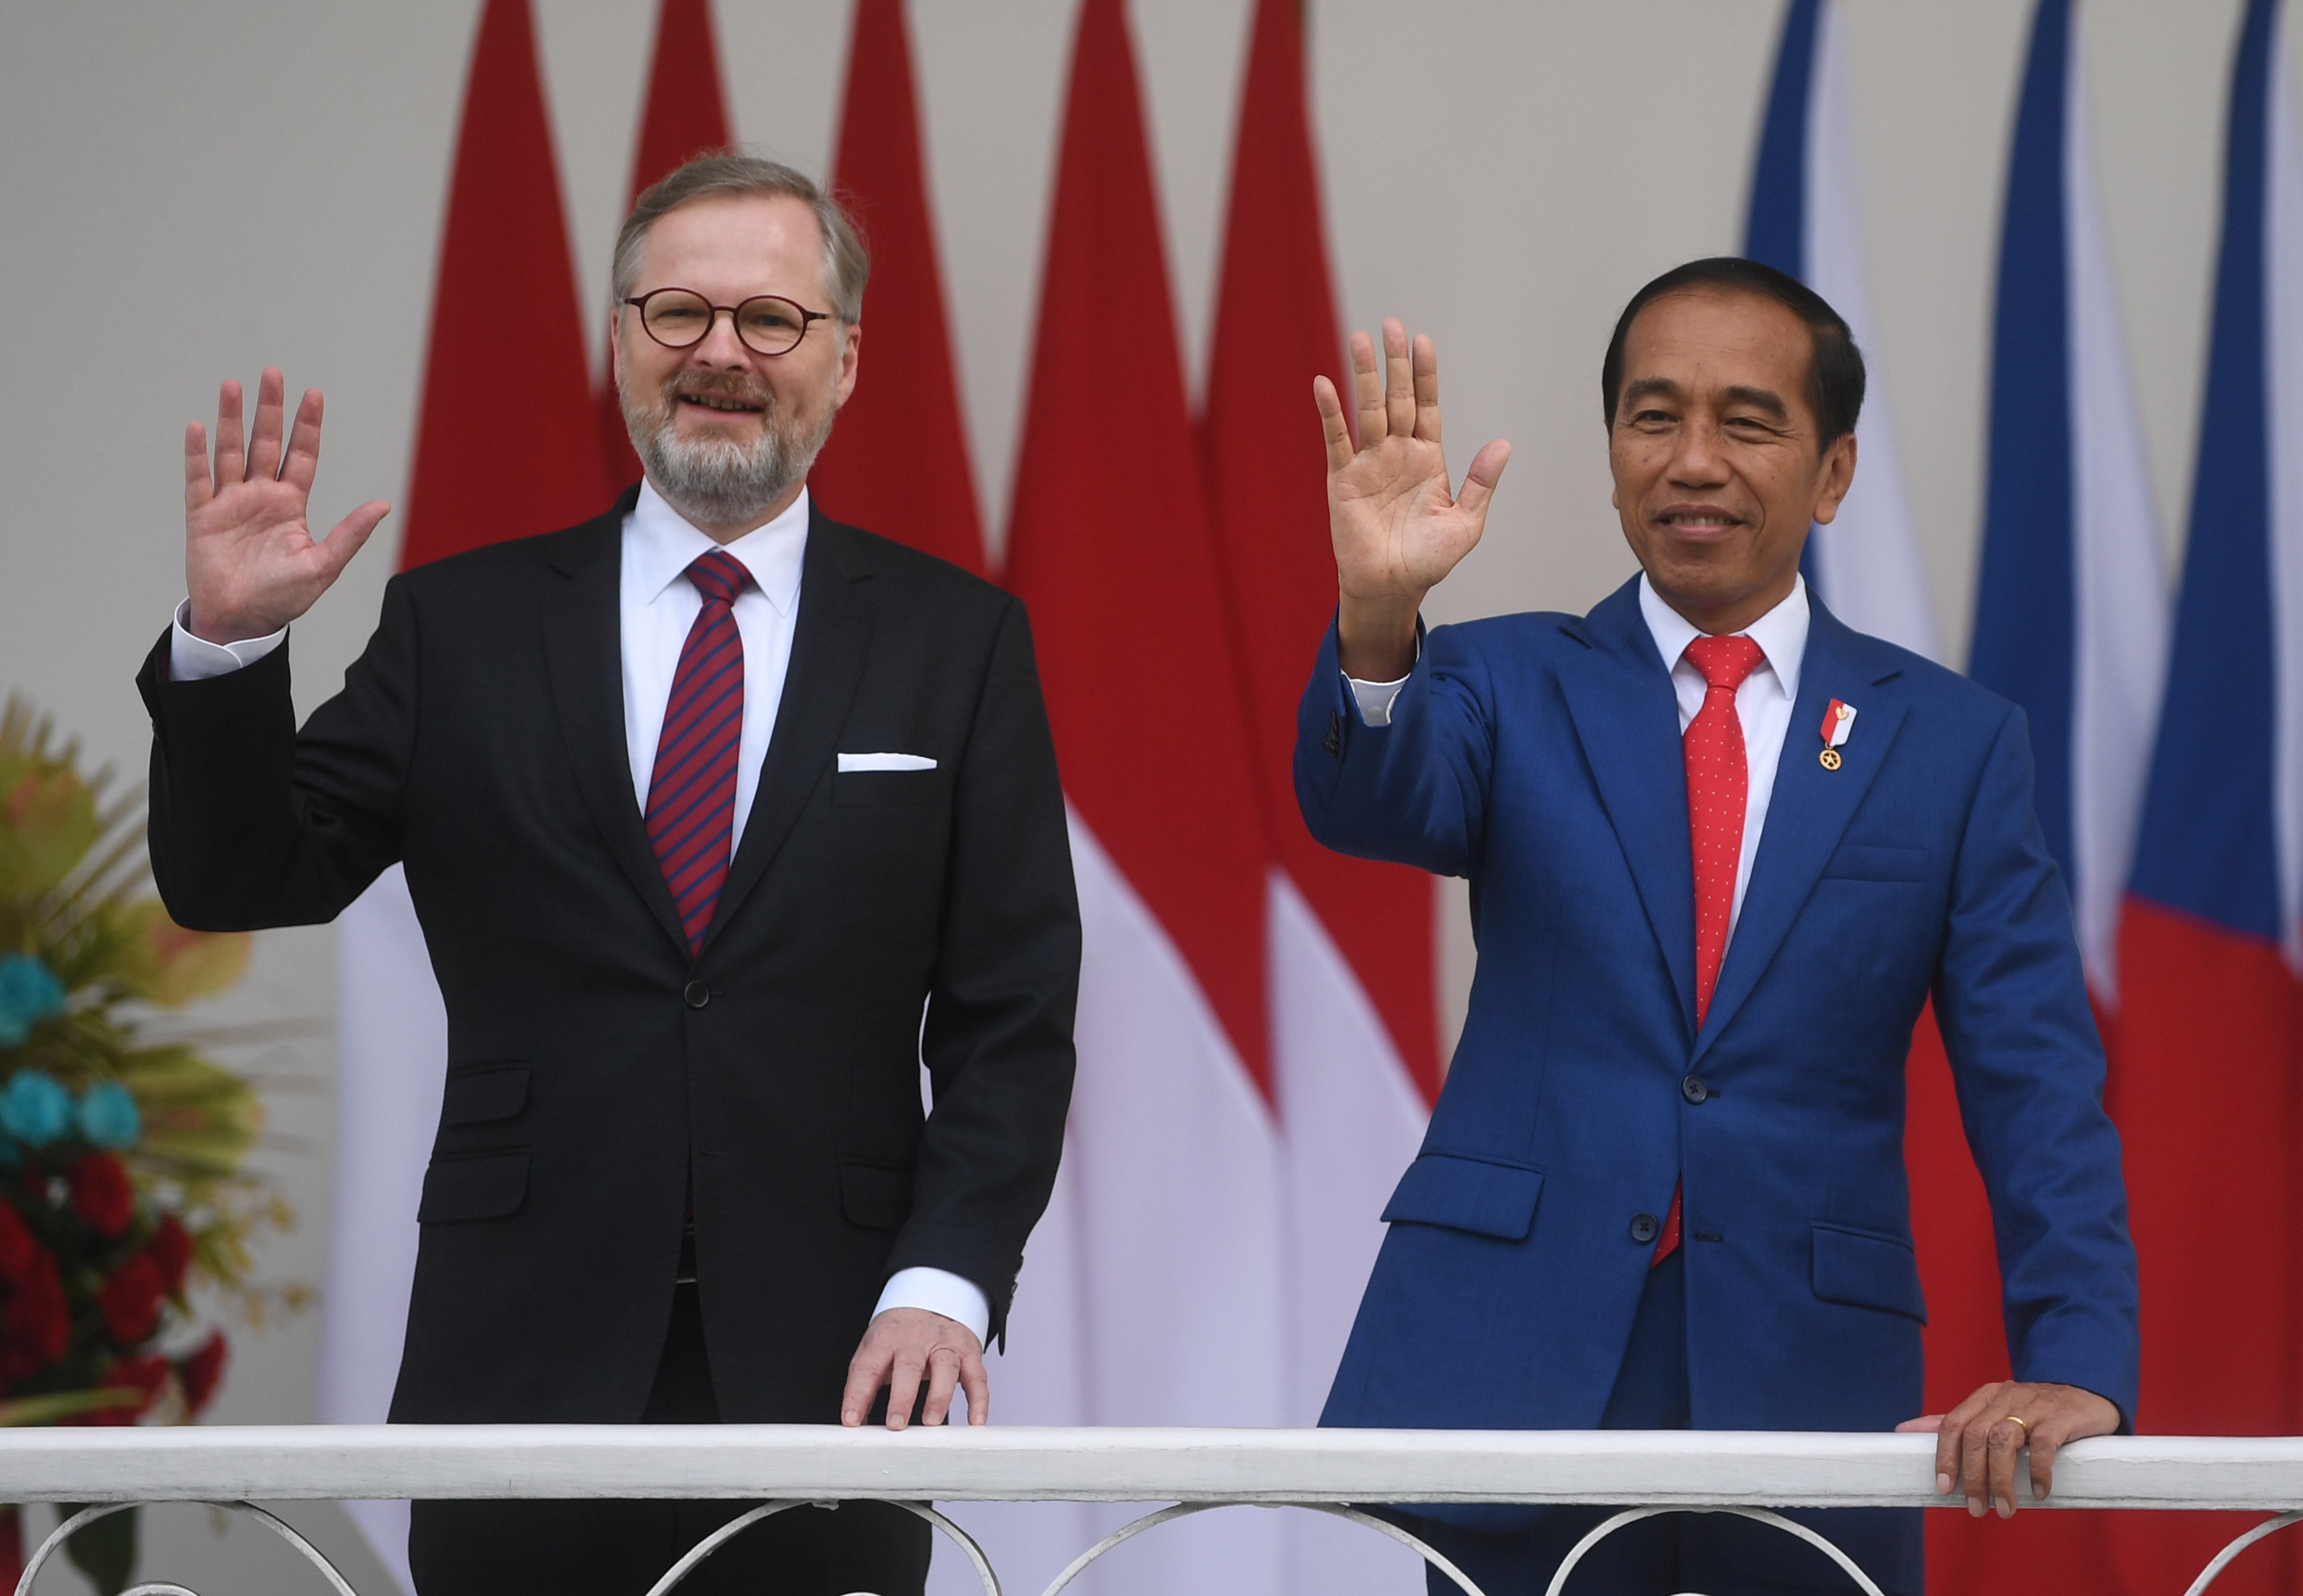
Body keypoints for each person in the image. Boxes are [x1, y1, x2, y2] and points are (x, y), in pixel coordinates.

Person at [136, 155, 1079, 1596]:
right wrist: (229, 647)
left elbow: (1012, 1019)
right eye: (677, 311)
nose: (720, 352)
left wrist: (943, 1282)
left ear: (843, 360)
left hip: (834, 1365)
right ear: (621, 341)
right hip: (515, 1358)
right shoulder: (461, 627)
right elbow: (240, 877)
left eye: (771, 319)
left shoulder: (958, 645)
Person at [1298, 257, 2137, 1596]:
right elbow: (1368, 803)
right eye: (1653, 417)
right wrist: (1379, 613)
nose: (1692, 460)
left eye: (1745, 422)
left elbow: (2034, 1080)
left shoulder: (1951, 743)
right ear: (1612, 453)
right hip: (1518, 1360)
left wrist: (2078, 1356)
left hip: (1808, 1375)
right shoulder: (1502, 678)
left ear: (1832, 471)